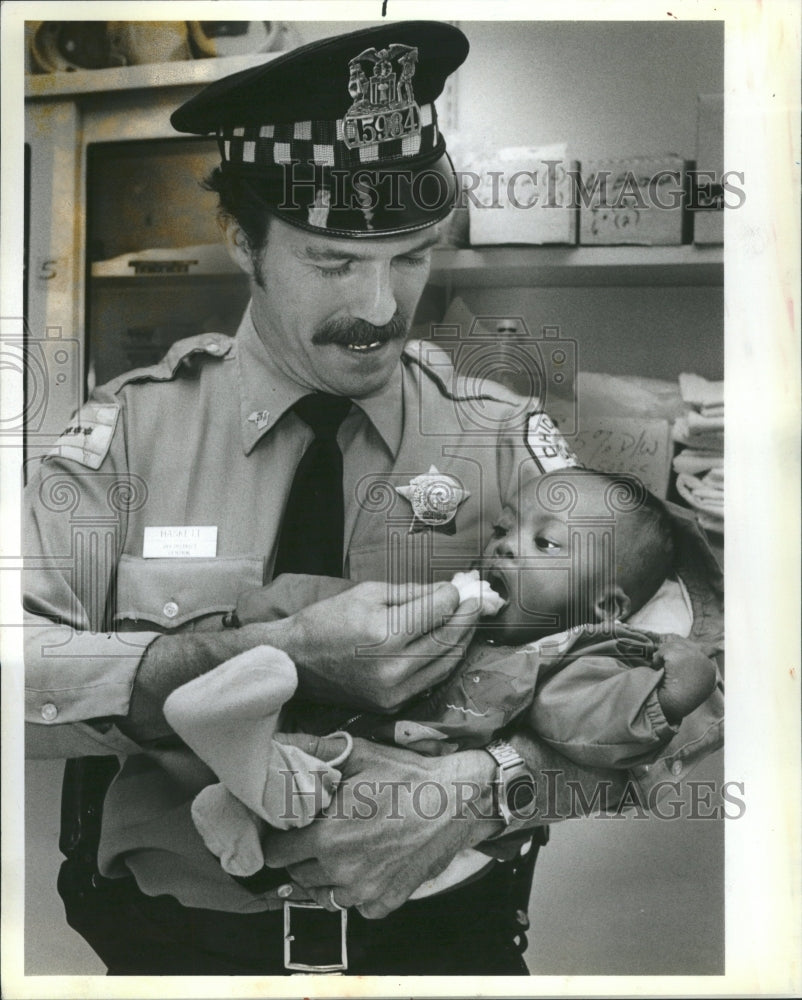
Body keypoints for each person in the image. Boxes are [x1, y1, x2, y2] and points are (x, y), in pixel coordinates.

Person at [22, 22, 724, 975]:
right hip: (179, 959)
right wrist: (271, 653)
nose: (385, 306)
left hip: (447, 952)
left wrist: (491, 789)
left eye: (411, 255)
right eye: (333, 262)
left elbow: (708, 676)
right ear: (242, 239)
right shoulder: (127, 439)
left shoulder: (504, 439)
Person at [161, 470, 722, 885]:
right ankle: (236, 776)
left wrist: (668, 698)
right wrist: (268, 613)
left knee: (334, 787)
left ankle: (238, 781)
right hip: (342, 736)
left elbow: (589, 730)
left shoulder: (561, 659)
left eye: (544, 543)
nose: (503, 544)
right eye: (504, 528)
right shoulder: (452, 605)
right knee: (305, 757)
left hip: (406, 788)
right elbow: (343, 605)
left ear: (603, 609)